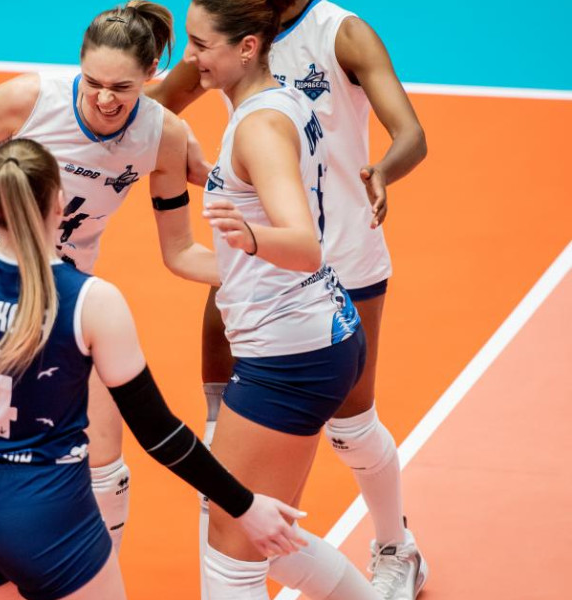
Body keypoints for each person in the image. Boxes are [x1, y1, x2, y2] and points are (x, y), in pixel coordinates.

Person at [0, 6, 219, 589]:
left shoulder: (163, 136)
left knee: (106, 458)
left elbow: (181, 251)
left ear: (152, 74)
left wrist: (263, 269)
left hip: (65, 294)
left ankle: (86, 576)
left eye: (122, 88)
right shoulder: (29, 99)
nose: (105, 99)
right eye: (93, 82)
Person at [0, 137, 305, 600]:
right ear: (59, 202)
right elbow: (158, 432)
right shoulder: (90, 300)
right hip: (46, 512)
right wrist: (244, 506)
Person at [147, 0, 428, 596]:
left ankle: (395, 546)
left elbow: (411, 136)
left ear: (248, 47)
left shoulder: (336, 37)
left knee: (347, 434)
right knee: (238, 498)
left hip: (326, 271)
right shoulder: (233, 39)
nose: (190, 56)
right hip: (260, 279)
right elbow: (155, 109)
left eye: (199, 46)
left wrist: (380, 171)